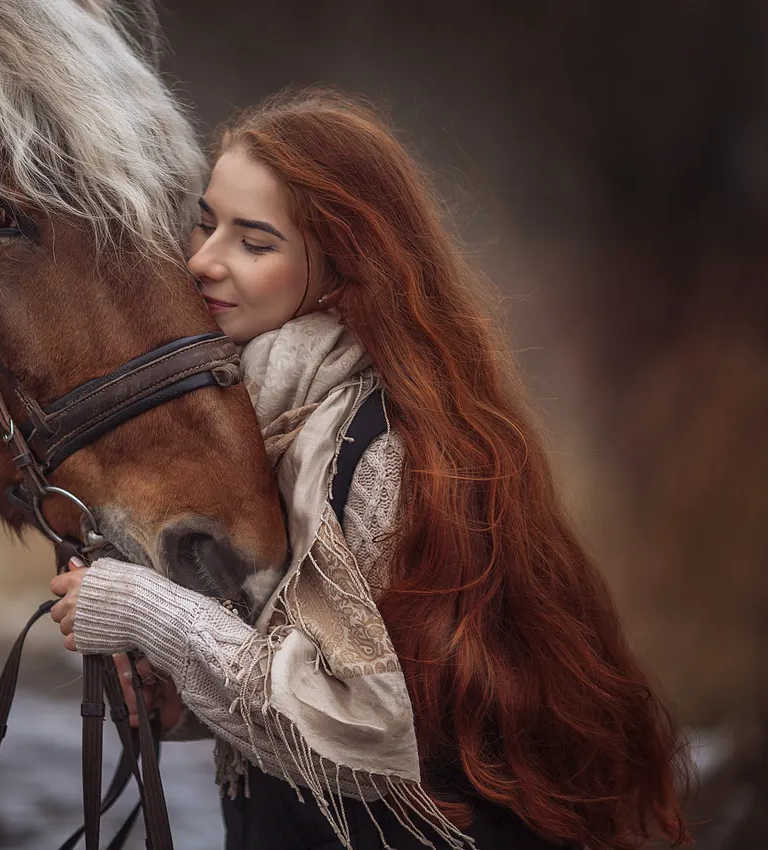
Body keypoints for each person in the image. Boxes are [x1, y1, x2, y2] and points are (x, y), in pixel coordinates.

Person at [48, 89, 689, 850]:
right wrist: (178, 704)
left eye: (254, 243)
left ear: (340, 270)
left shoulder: (386, 445)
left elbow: (359, 719)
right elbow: (286, 675)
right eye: (206, 221)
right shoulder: (272, 420)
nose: (202, 260)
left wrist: (145, 608)